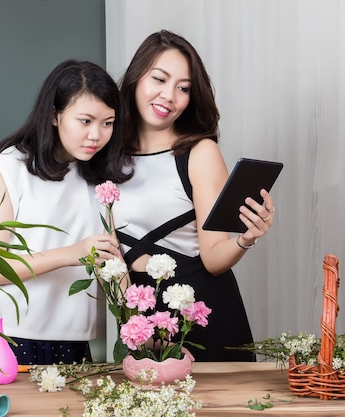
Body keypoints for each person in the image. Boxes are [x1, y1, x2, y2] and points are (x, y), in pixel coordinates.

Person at [0, 59, 131, 366]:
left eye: (107, 123)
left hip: (68, 342)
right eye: (85, 121)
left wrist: (138, 324)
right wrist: (73, 253)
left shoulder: (98, 178)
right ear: (55, 116)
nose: (97, 135)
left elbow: (113, 263)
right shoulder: (11, 168)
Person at [113, 30, 276, 361]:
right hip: (138, 317)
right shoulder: (105, 152)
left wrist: (246, 238)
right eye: (159, 79)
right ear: (135, 79)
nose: (169, 95)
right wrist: (128, 315)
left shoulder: (199, 152)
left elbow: (214, 258)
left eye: (183, 88)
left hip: (202, 312)